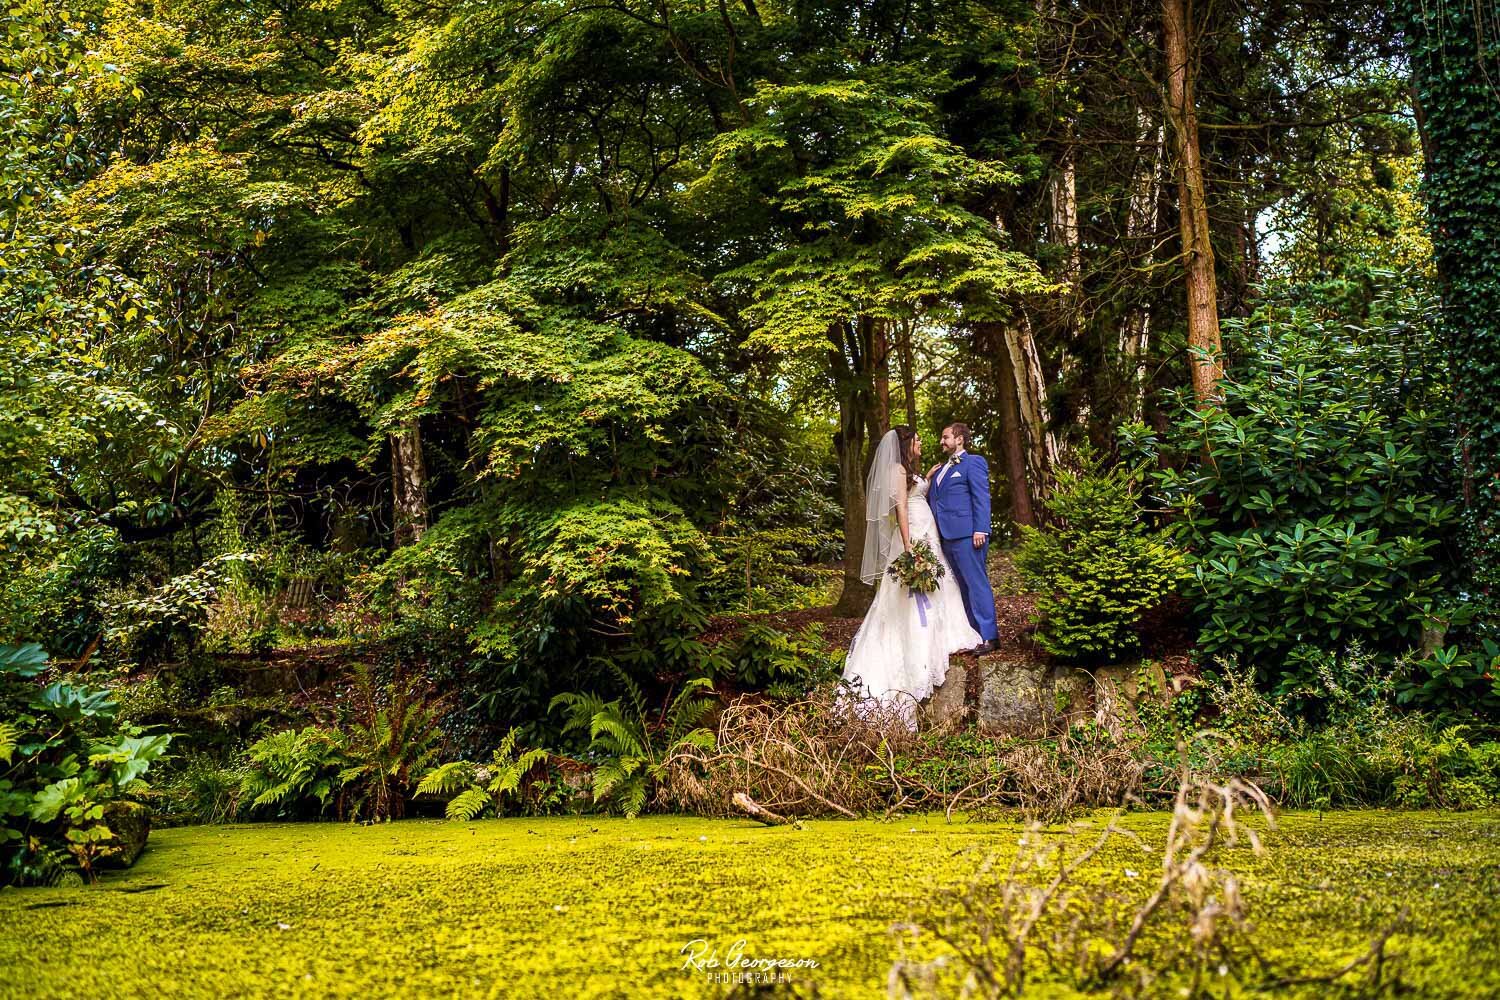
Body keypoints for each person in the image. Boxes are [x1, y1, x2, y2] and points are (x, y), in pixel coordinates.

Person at [838, 426, 982, 730]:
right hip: (913, 536)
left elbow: (915, 494)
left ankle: (946, 633)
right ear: (906, 444)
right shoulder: (895, 470)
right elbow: (902, 507)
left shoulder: (910, 470)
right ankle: (916, 648)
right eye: (916, 441)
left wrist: (927, 479)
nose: (921, 444)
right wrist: (907, 546)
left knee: (938, 585)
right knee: (910, 595)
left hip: (927, 533)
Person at [926, 422, 999, 654]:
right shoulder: (939, 470)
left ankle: (990, 636)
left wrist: (981, 529)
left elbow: (981, 497)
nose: (941, 441)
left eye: (945, 437)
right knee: (962, 587)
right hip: (946, 537)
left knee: (977, 584)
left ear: (959, 439)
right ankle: (974, 634)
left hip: (969, 535)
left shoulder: (973, 462)